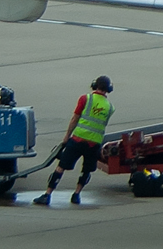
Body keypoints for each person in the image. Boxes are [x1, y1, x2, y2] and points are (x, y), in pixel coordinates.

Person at [33, 76, 113, 205]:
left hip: (78, 139)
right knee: (86, 170)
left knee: (61, 167)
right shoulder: (110, 107)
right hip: (94, 143)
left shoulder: (85, 99)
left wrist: (66, 137)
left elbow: (75, 119)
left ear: (94, 85)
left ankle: (47, 194)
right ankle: (76, 195)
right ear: (109, 89)